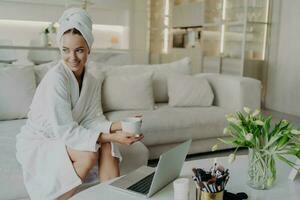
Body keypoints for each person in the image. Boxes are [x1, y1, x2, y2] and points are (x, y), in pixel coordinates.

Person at [16, 8, 144, 200]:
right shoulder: (56, 79)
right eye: (65, 50)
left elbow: (92, 119)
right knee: (88, 155)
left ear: (89, 49)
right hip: (43, 139)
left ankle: (114, 197)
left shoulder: (91, 80)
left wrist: (121, 125)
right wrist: (112, 136)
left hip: (66, 134)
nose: (72, 57)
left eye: (79, 50)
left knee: (108, 144)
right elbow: (65, 131)